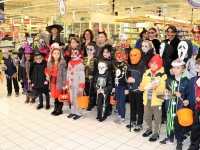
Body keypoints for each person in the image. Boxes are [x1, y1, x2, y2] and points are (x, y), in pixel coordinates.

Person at [159, 58, 190, 150]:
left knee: (178, 124)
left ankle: (179, 141)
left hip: (180, 108)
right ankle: (170, 138)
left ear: (183, 69)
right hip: (169, 106)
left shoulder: (186, 81)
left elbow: (189, 95)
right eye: (173, 68)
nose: (175, 70)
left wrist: (183, 96)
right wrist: (166, 91)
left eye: (178, 68)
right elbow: (167, 90)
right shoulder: (169, 79)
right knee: (169, 123)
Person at [138, 54, 167, 142]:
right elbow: (143, 83)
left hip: (157, 100)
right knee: (147, 116)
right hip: (147, 99)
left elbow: (162, 89)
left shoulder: (163, 75)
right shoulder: (146, 72)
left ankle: (156, 133)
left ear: (160, 64)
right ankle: (149, 129)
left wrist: (156, 88)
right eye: (152, 63)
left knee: (157, 118)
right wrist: (141, 87)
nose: (153, 65)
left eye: (156, 64)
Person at [125, 48, 146, 131]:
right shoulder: (130, 65)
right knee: (132, 106)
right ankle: (133, 120)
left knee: (139, 108)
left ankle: (139, 123)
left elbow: (145, 80)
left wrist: (136, 80)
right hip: (131, 89)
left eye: (135, 55)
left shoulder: (143, 67)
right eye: (131, 55)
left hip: (139, 90)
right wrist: (127, 81)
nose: (132, 57)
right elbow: (127, 75)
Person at [46, 48, 67, 116]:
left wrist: (64, 84)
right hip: (53, 82)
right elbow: (48, 73)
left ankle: (59, 109)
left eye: (58, 53)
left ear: (60, 55)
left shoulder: (62, 63)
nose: (56, 55)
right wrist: (47, 76)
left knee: (59, 96)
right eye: (55, 53)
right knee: (55, 96)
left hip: (59, 82)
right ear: (52, 54)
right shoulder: (50, 63)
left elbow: (64, 74)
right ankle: (55, 108)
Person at [66, 49, 85, 120]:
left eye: (75, 55)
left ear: (79, 55)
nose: (73, 56)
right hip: (71, 84)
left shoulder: (80, 64)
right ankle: (73, 111)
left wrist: (81, 86)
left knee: (78, 98)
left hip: (77, 84)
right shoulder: (70, 63)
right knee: (72, 98)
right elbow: (68, 73)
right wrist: (67, 83)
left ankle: (79, 113)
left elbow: (82, 76)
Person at [113, 48, 128, 124]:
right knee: (118, 102)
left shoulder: (126, 66)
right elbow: (113, 76)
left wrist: (127, 88)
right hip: (117, 86)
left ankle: (122, 117)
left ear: (124, 56)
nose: (119, 57)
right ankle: (119, 115)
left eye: (120, 55)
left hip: (123, 87)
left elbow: (128, 77)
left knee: (122, 103)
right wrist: (113, 87)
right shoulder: (115, 64)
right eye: (117, 55)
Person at [188, 58, 200, 150]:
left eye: (199, 68)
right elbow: (190, 93)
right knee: (195, 126)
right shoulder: (193, 80)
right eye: (197, 67)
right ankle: (194, 145)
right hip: (195, 108)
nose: (197, 70)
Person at [100, 44, 115, 115]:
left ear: (110, 53)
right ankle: (102, 107)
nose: (105, 54)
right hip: (102, 79)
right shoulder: (101, 60)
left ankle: (109, 109)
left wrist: (113, 84)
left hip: (109, 80)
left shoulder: (113, 61)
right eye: (104, 52)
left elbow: (114, 73)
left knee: (108, 95)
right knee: (102, 94)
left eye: (107, 52)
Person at [83, 43, 98, 111]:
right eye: (87, 49)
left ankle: (91, 104)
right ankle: (86, 103)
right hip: (85, 77)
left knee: (92, 91)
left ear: (94, 50)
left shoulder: (96, 59)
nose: (89, 50)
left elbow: (97, 70)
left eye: (91, 49)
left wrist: (95, 78)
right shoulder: (84, 58)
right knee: (86, 90)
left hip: (92, 78)